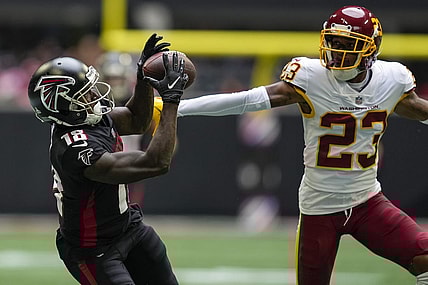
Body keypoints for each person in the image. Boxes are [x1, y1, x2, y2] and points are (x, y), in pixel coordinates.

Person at [169, 5, 428, 285]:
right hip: (319, 208)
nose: (337, 52)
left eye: (348, 45)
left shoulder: (392, 80)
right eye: (333, 42)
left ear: (370, 50)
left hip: (368, 202)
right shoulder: (310, 77)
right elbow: (246, 100)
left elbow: (419, 109)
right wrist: (177, 107)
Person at [27, 34, 188, 285]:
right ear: (62, 105)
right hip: (93, 249)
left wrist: (143, 78)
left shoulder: (82, 118)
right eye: (84, 94)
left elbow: (137, 119)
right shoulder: (75, 148)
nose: (93, 95)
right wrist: (171, 101)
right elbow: (156, 162)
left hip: (128, 227)